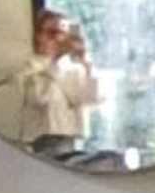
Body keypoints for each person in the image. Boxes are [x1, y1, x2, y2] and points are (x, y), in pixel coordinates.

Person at [20, 9, 98, 153]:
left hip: (69, 138)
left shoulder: (73, 68)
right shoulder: (30, 65)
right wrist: (55, 62)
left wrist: (87, 64)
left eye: (63, 34)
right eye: (52, 33)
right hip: (41, 138)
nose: (58, 39)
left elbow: (90, 99)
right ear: (39, 35)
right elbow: (41, 99)